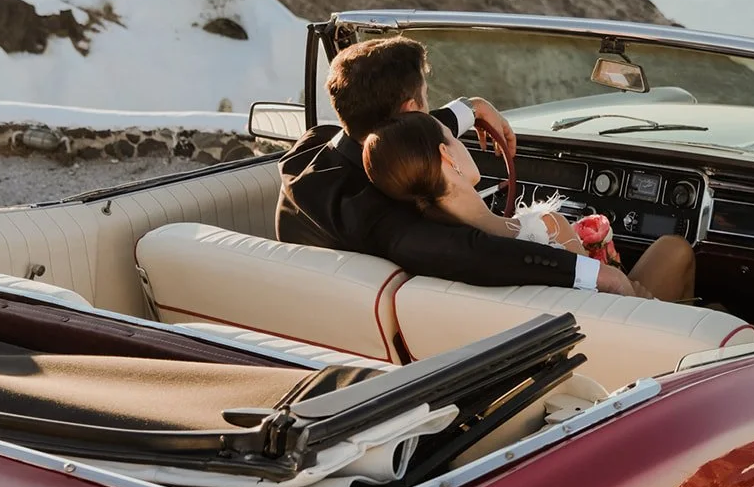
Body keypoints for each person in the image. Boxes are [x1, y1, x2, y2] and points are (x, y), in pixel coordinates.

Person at [277, 34, 694, 298]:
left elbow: (397, 137)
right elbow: (472, 253)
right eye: (426, 98)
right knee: (674, 251)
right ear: (410, 111)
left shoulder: (309, 155)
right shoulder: (391, 223)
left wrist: (470, 109)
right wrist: (598, 275)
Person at [363, 111, 695, 302]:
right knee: (675, 249)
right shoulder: (547, 228)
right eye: (453, 136)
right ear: (447, 156)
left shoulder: (415, 245)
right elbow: (605, 305)